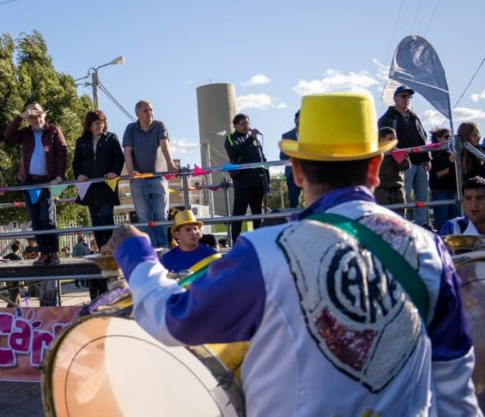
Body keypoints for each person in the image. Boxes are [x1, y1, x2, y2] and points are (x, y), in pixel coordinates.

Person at [103, 92, 479, 416]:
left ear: (297, 172)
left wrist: (134, 249)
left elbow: (173, 320)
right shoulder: (431, 250)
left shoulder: (263, 253)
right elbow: (454, 391)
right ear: (376, 168)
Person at [4, 102, 67, 265]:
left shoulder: (53, 131)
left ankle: (54, 252)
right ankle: (43, 253)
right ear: (28, 120)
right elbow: (8, 135)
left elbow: (62, 153)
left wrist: (59, 176)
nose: (36, 119)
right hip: (29, 181)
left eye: (38, 116)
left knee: (47, 217)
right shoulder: (25, 133)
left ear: (44, 116)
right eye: (32, 117)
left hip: (48, 180)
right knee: (36, 219)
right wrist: (20, 116)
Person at [122, 100, 178, 248]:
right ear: (137, 113)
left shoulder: (159, 125)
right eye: (146, 110)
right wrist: (130, 171)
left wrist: (171, 165)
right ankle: (151, 248)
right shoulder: (130, 129)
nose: (150, 113)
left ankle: (163, 246)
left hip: (158, 177)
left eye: (151, 109)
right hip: (138, 179)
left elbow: (165, 146)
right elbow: (127, 151)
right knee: (143, 216)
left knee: (161, 214)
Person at [378, 85, 431, 227]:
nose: (406, 99)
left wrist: (427, 158)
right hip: (400, 164)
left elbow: (423, 138)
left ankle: (423, 224)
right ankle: (404, 226)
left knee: (422, 197)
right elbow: (381, 139)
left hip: (420, 161)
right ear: (394, 98)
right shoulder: (387, 118)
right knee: (404, 197)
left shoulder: (414, 116)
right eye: (403, 96)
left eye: (409, 97)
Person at [73, 110, 125, 249]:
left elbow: (119, 157)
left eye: (102, 123)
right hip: (89, 187)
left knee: (106, 217)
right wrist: (79, 175)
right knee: (95, 219)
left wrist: (114, 172)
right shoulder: (81, 141)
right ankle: (102, 249)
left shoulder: (112, 138)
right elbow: (76, 163)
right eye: (97, 123)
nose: (100, 126)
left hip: (107, 186)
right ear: (89, 125)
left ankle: (111, 248)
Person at [224, 113, 269, 243]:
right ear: (235, 125)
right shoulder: (231, 138)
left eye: (248, 123)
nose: (247, 126)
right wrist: (250, 138)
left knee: (257, 214)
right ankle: (235, 242)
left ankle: (258, 241)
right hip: (243, 182)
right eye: (243, 124)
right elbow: (235, 151)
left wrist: (267, 179)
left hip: (257, 182)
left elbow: (262, 158)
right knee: (239, 213)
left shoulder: (254, 139)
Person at [374, 127, 410, 215]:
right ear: (380, 140)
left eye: (394, 139)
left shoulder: (398, 151)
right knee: (384, 215)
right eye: (389, 139)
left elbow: (406, 166)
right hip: (381, 190)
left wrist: (397, 156)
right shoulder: (375, 153)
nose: (393, 142)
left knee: (400, 215)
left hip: (397, 189)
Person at [429, 127, 459, 229]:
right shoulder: (433, 153)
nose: (449, 139)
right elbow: (434, 176)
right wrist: (450, 164)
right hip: (440, 191)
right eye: (447, 137)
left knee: (457, 223)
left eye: (451, 137)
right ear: (438, 138)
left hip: (454, 189)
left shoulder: (452, 151)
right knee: (443, 224)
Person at [279, 110, 301, 208]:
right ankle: (296, 223)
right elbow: (282, 157)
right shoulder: (286, 136)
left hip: (310, 173)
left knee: (314, 201)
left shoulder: (313, 135)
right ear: (295, 120)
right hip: (292, 174)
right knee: (293, 201)